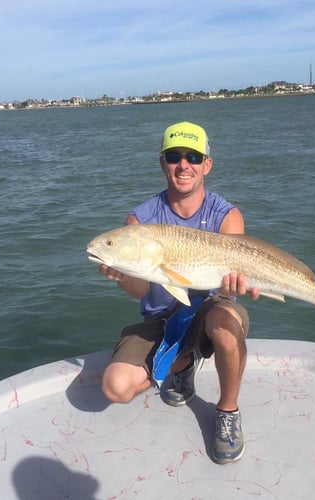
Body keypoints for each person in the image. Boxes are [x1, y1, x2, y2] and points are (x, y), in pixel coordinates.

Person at [98, 121, 259, 464]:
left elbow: (233, 285)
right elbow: (141, 289)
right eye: (173, 156)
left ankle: (227, 411)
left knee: (226, 324)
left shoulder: (226, 214)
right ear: (162, 163)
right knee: (116, 386)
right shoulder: (139, 221)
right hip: (160, 318)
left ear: (206, 164)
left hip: (209, 309)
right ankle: (181, 362)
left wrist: (239, 285)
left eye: (193, 157)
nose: (183, 165)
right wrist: (122, 275)